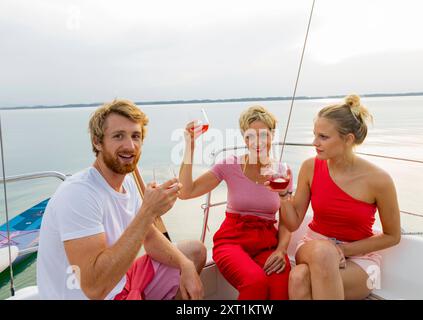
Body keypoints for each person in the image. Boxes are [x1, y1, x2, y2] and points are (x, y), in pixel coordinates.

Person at [37, 99, 206, 300]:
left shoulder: (126, 183)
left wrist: (185, 265)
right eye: (118, 136)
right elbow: (95, 288)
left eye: (136, 136)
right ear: (97, 142)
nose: (130, 146)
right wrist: (149, 211)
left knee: (194, 252)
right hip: (96, 294)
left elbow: (150, 238)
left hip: (121, 286)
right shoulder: (78, 194)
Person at [279, 94, 401, 300]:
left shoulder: (380, 180)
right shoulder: (310, 167)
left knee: (299, 277)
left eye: (323, 137)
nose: (314, 143)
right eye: (314, 135)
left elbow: (393, 235)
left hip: (361, 259)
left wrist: (343, 249)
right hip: (312, 247)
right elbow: (292, 224)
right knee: (323, 253)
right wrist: (283, 195)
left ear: (348, 139)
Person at [178, 106, 292, 300]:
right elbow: (186, 192)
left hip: (267, 244)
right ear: (243, 138)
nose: (257, 142)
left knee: (280, 283)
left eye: (263, 135)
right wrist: (190, 147)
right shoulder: (229, 164)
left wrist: (281, 250)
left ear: (273, 135)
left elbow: (287, 222)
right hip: (232, 241)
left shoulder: (282, 171)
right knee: (255, 282)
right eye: (250, 136)